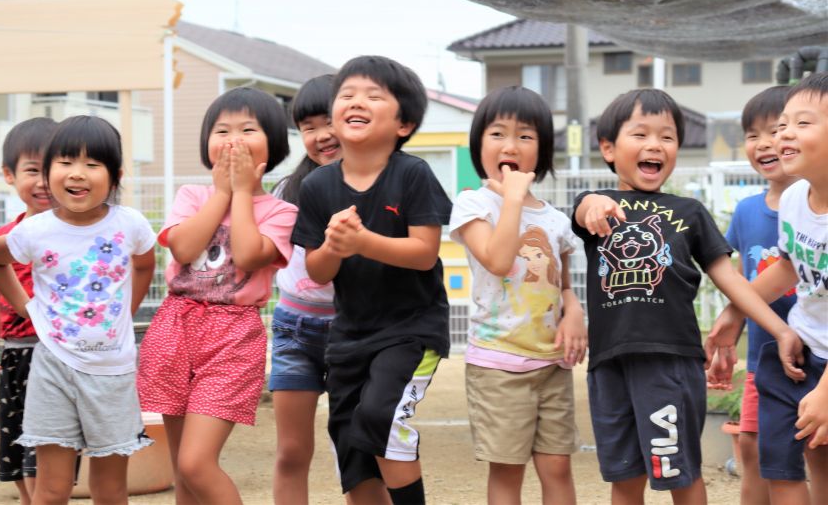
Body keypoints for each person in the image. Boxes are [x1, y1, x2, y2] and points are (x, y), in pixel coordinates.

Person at [571, 88, 804, 505]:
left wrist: (779, 329)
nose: (654, 145)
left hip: (669, 362)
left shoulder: (689, 211)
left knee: (680, 473)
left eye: (667, 136)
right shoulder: (597, 209)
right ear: (607, 148)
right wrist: (591, 200)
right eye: (640, 134)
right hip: (607, 363)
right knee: (623, 478)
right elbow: (582, 209)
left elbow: (731, 280)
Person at [292, 56, 452, 505]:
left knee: (381, 416)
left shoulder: (412, 173)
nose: (356, 102)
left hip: (410, 330)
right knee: (352, 448)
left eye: (373, 96)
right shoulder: (318, 187)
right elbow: (318, 270)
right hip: (348, 338)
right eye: (346, 95)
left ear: (404, 124)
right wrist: (334, 247)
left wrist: (362, 241)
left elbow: (424, 254)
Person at [0, 115, 157, 505]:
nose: (77, 174)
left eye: (92, 164)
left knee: (110, 488)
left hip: (112, 372)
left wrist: (125, 312)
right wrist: (29, 310)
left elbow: (146, 263)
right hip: (53, 369)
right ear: (48, 172)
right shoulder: (35, 230)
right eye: (65, 162)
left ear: (115, 175)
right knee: (52, 488)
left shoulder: (130, 224)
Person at [137, 87, 297, 505]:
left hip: (232, 336)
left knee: (196, 463)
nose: (233, 139)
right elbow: (185, 249)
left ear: (274, 145)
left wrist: (241, 192)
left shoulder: (281, 212)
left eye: (248, 129)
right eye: (222, 130)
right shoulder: (192, 196)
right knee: (183, 471)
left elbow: (246, 255)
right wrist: (222, 192)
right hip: (175, 327)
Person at [449, 86, 585, 505]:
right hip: (498, 364)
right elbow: (497, 259)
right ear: (479, 145)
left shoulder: (557, 220)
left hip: (551, 362)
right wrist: (511, 199)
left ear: (541, 151)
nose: (511, 145)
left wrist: (574, 310)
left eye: (526, 136)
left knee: (557, 466)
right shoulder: (473, 204)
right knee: (507, 470)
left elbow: (562, 283)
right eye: (498, 134)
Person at [708, 72, 828, 505]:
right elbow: (789, 267)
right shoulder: (796, 199)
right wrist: (735, 311)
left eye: (802, 123)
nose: (784, 135)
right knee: (786, 460)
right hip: (800, 350)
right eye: (784, 125)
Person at [0, 117, 58, 505]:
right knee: (15, 443)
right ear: (8, 175)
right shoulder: (4, 238)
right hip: (15, 354)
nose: (42, 181)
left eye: (52, 168)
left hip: (56, 355)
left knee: (50, 448)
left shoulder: (73, 234)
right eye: (31, 170)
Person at [268, 75, 341, 505]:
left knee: (357, 449)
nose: (321, 135)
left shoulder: (379, 187)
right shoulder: (287, 191)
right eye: (308, 126)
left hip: (355, 329)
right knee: (292, 450)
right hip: (295, 329)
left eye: (328, 120)